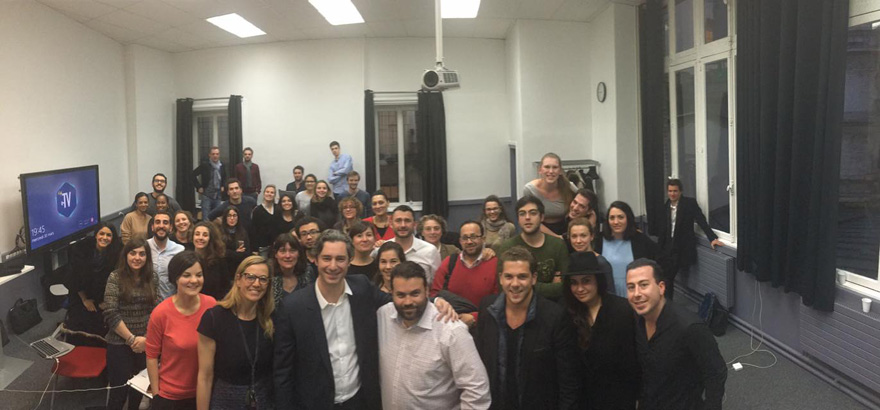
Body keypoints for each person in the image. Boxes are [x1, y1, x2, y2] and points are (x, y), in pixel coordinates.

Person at [273, 230, 456, 410]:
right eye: (327, 258)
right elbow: (283, 372)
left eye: (341, 259)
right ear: (316, 259)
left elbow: (397, 302)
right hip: (315, 404)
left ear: (349, 261)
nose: (333, 266)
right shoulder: (293, 307)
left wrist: (435, 301)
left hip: (361, 401)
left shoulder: (362, 288)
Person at [474, 246, 579, 410]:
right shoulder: (487, 309)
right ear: (500, 278)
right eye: (509, 277)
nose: (515, 284)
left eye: (522, 277)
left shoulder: (555, 316)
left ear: (534, 278)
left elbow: (569, 381)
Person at [378, 261, 491, 410]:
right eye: (400, 295)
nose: (408, 302)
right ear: (391, 293)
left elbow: (477, 390)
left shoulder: (451, 331)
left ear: (427, 291)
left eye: (415, 293)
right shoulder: (383, 316)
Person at [626, 258, 726, 410]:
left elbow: (716, 373)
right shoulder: (635, 320)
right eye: (631, 287)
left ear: (661, 288)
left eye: (644, 285)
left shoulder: (690, 327)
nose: (636, 293)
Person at [561, 252, 639, 409]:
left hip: (618, 398)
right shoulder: (565, 313)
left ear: (598, 281)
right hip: (582, 400)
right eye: (574, 283)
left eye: (586, 281)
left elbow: (634, 360)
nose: (580, 288)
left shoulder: (622, 310)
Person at [198, 256, 276, 410]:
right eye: (251, 277)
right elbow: (205, 377)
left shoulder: (271, 319)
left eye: (263, 279)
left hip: (263, 401)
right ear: (238, 279)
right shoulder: (214, 318)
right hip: (226, 401)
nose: (256, 284)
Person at [146, 251, 217, 409]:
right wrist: (156, 394)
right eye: (187, 275)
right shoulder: (161, 313)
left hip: (204, 393)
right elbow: (151, 356)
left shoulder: (211, 305)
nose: (194, 280)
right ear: (175, 278)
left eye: (199, 275)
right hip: (170, 397)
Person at [103, 237, 159, 410]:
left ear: (147, 257)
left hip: (144, 342)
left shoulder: (152, 277)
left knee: (139, 387)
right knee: (119, 391)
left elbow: (155, 311)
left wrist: (146, 338)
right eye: (133, 253)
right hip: (119, 341)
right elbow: (110, 312)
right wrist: (131, 339)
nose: (137, 257)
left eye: (142, 254)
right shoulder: (115, 277)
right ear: (126, 255)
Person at [657, 179, 722, 300]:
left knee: (668, 278)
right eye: (670, 191)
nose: (672, 194)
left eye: (675, 191)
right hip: (667, 247)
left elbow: (701, 221)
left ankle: (667, 305)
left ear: (681, 191)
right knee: (665, 277)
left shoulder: (689, 204)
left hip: (681, 247)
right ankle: (666, 304)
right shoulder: (666, 206)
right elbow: (663, 230)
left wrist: (712, 238)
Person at [497, 196, 570, 300]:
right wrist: (550, 287)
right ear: (518, 219)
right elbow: (503, 287)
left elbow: (566, 286)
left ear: (542, 217)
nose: (527, 217)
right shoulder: (507, 247)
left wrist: (526, 286)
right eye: (522, 213)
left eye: (533, 213)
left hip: (553, 307)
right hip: (518, 306)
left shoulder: (558, 245)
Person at [430, 220, 498, 329]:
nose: (469, 241)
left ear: (483, 239)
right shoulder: (449, 263)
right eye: (465, 238)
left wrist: (475, 317)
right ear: (460, 241)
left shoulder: (495, 265)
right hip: (451, 326)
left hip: (485, 328)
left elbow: (500, 302)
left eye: (474, 237)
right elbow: (435, 295)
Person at [65, 222, 121, 346]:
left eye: (108, 235)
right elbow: (74, 278)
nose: (104, 238)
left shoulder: (116, 253)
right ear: (96, 235)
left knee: (104, 320)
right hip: (80, 294)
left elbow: (116, 281)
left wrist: (106, 301)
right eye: (101, 234)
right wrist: (85, 300)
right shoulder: (81, 250)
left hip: (103, 295)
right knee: (82, 320)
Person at [595, 201, 659, 296]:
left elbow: (660, 261)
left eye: (621, 217)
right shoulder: (599, 240)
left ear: (628, 219)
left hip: (636, 295)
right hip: (607, 295)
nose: (616, 222)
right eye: (612, 218)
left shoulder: (640, 239)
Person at [372, 205, 442, 285]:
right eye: (398, 221)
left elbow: (436, 285)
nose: (403, 225)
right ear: (391, 223)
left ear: (414, 224)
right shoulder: (381, 249)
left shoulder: (430, 251)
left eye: (407, 221)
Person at [524, 153, 576, 235]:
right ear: (540, 170)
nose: (551, 171)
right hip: (539, 231)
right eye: (547, 167)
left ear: (560, 171)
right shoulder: (530, 190)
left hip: (566, 230)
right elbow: (530, 219)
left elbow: (587, 206)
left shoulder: (569, 187)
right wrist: (557, 238)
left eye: (555, 167)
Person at [568, 217, 615, 294]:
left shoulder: (601, 263)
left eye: (583, 236)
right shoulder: (570, 261)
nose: (578, 241)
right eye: (574, 236)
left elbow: (610, 292)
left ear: (591, 236)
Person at [148, 210, 186, 302]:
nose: (161, 226)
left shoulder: (179, 250)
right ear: (152, 227)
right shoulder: (144, 247)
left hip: (171, 303)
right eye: (157, 222)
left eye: (165, 222)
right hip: (146, 305)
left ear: (171, 228)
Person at [269, 233, 313, 307]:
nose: (288, 256)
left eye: (292, 251)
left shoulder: (308, 272)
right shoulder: (268, 275)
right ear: (275, 254)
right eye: (282, 251)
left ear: (298, 253)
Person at [192, 222, 230, 300]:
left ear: (211, 238)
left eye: (205, 235)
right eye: (197, 234)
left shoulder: (219, 260)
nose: (200, 238)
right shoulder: (187, 258)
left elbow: (225, 286)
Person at [192, 146, 227, 221]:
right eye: (213, 154)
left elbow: (224, 177)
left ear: (219, 155)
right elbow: (193, 175)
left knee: (217, 219)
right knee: (206, 219)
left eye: (217, 154)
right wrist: (198, 187)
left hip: (218, 196)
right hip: (207, 195)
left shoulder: (222, 165)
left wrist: (223, 185)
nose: (215, 156)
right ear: (210, 155)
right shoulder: (205, 165)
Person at [219, 205, 251, 271]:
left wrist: (232, 253)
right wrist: (235, 253)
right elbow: (221, 252)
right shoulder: (219, 232)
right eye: (229, 216)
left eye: (234, 215)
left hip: (239, 267)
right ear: (225, 218)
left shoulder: (243, 232)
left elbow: (246, 252)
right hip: (224, 267)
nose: (232, 218)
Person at [251, 184, 278, 252]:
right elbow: (254, 231)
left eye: (272, 192)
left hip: (276, 246)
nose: (269, 194)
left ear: (274, 195)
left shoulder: (278, 208)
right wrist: (255, 248)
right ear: (263, 194)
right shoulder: (257, 211)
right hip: (262, 247)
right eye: (267, 192)